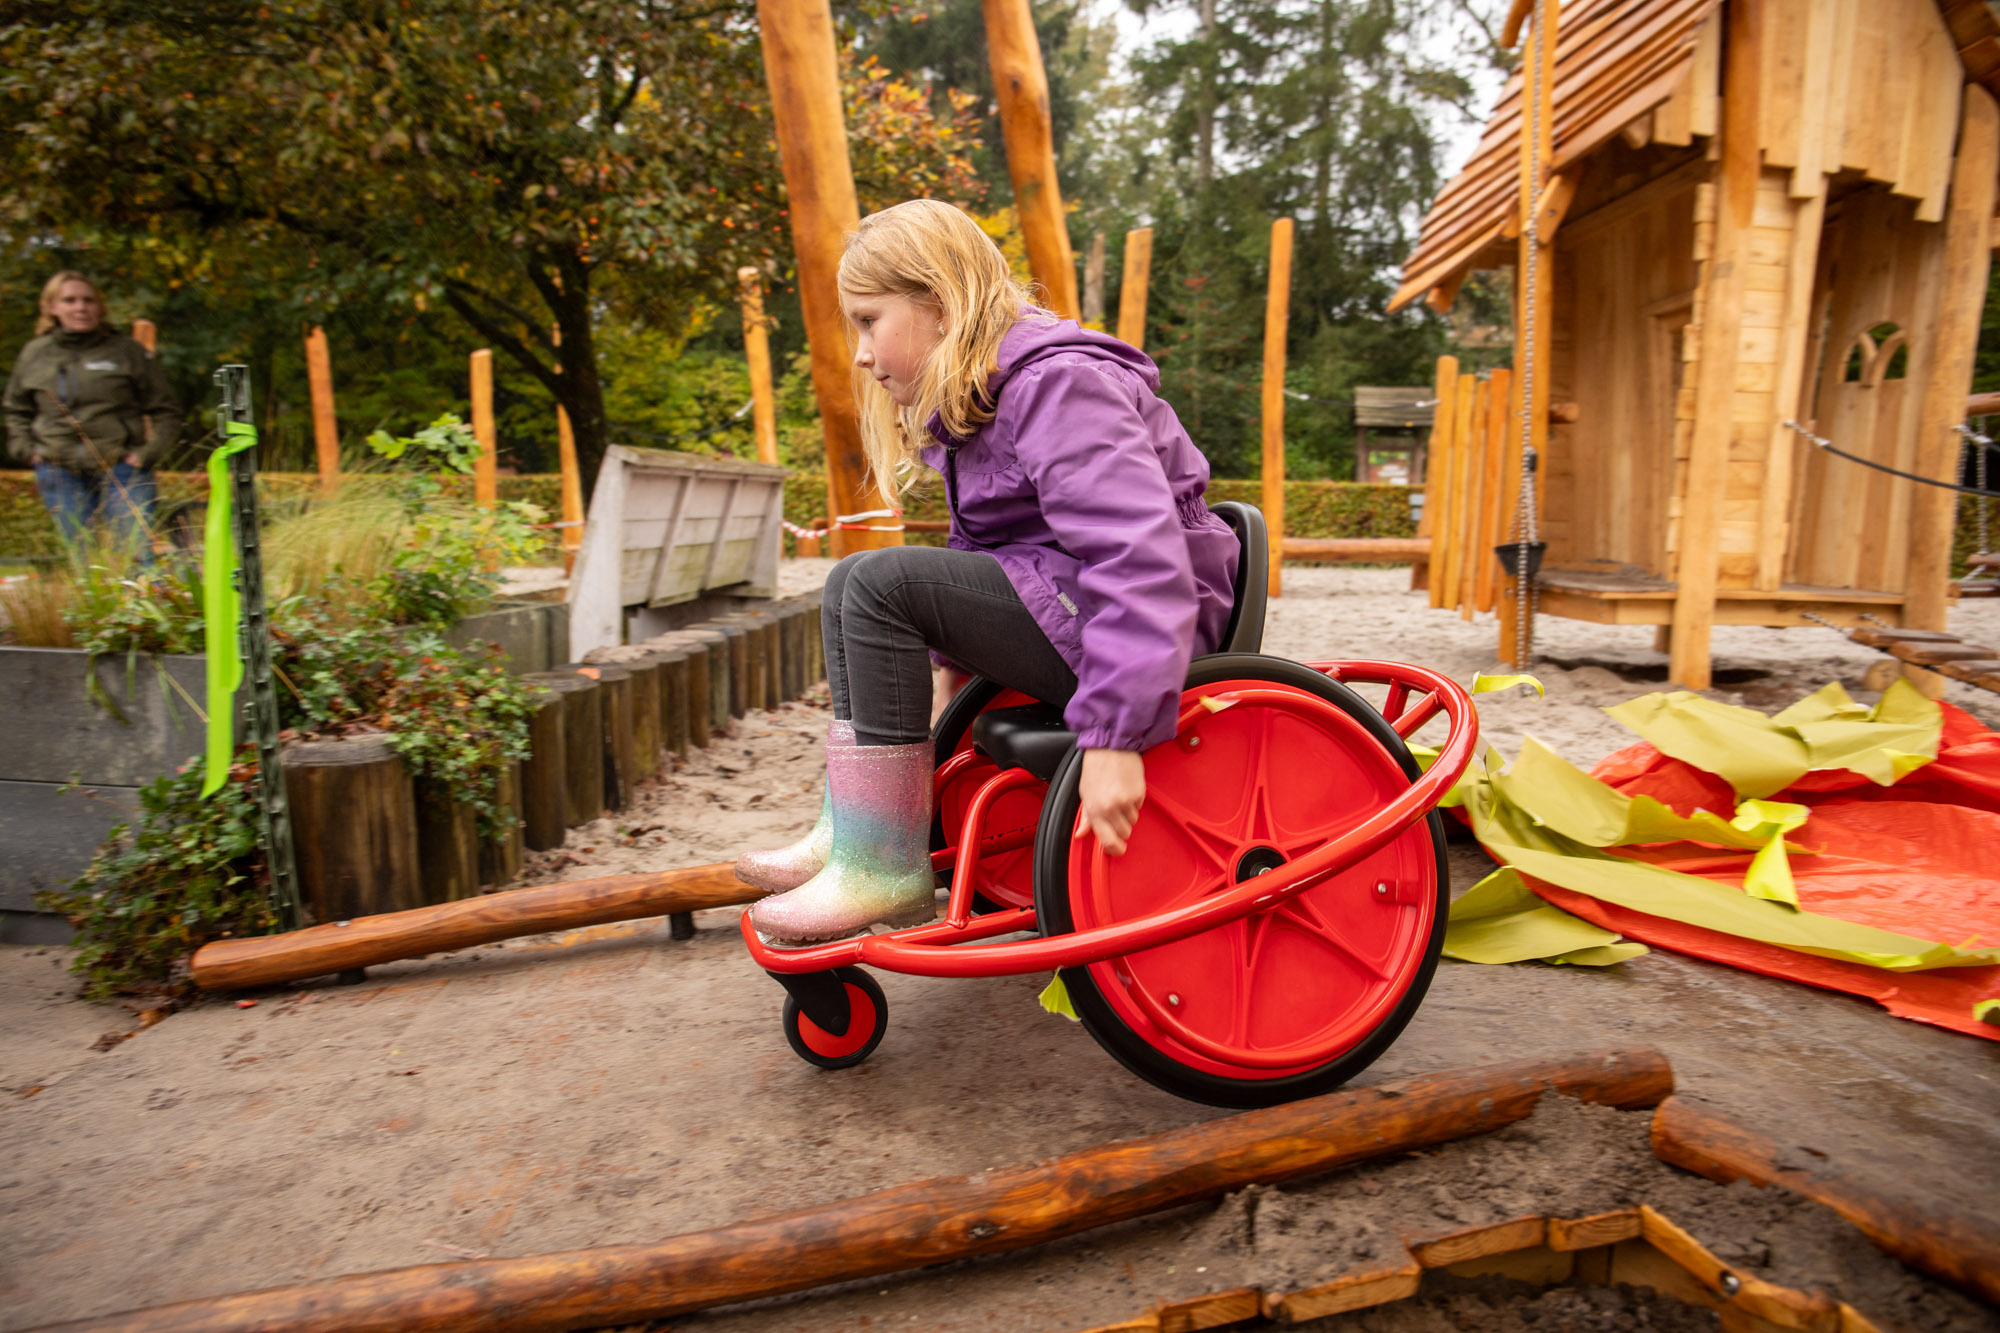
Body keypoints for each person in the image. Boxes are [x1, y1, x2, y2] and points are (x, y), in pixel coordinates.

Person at [737, 199, 1239, 943]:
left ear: (938, 306)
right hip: (1071, 607)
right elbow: (993, 554)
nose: (864, 354)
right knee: (853, 580)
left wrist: (1115, 740)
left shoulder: (1058, 386)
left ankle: (881, 860)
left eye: (870, 321)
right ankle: (856, 832)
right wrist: (956, 678)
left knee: (880, 583)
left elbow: (1139, 556)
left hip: (1146, 636)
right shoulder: (987, 400)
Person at [4, 271, 181, 550]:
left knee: (137, 557)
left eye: (88, 300)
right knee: (84, 561)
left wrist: (149, 454)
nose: (80, 307)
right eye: (69, 300)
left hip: (122, 469)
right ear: (52, 307)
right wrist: (28, 451)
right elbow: (16, 410)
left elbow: (165, 410)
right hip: (58, 470)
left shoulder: (127, 351)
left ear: (100, 306)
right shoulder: (35, 353)